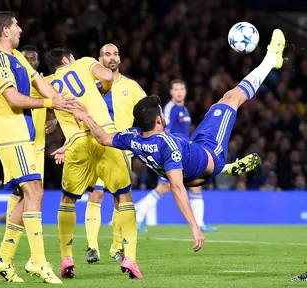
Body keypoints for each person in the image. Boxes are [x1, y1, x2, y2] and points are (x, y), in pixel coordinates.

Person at [55, 28, 285, 253]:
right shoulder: (168, 145)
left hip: (189, 157)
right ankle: (270, 60)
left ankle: (225, 169)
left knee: (128, 191)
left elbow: (103, 137)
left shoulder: (131, 137)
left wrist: (79, 127)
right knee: (232, 98)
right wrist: (194, 227)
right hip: (208, 154)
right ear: (158, 119)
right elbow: (177, 187)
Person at [0, 11, 78, 284]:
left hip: (23, 136)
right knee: (34, 189)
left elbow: (40, 83)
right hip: (11, 134)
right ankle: (38, 261)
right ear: (4, 31)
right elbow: (12, 99)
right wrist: (51, 105)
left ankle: (3, 258)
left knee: (28, 196)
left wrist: (65, 101)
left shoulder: (16, 58)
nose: (20, 29)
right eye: (15, 25)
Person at [44, 47, 143, 279]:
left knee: (68, 200)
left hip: (76, 143)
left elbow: (47, 114)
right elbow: (108, 77)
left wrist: (52, 122)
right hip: (105, 136)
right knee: (124, 197)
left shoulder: (48, 83)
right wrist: (103, 89)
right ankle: (130, 258)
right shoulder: (84, 63)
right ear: (69, 59)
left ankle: (66, 257)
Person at [84, 43, 146, 264]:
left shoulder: (132, 86)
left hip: (122, 150)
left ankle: (117, 247)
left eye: (115, 54)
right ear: (99, 59)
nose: (112, 58)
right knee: (96, 194)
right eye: (107, 54)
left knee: (121, 200)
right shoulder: (89, 86)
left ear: (120, 59)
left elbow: (146, 112)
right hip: (96, 149)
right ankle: (92, 247)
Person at [136, 79, 218, 233]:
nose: (179, 92)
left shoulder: (184, 109)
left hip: (184, 154)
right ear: (171, 92)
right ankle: (139, 217)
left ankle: (200, 223)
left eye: (182, 89)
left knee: (195, 187)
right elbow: (163, 132)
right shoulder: (169, 109)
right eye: (176, 89)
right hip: (171, 155)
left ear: (185, 91)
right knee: (163, 187)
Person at [0, 45, 56, 222]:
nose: (30, 61)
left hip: (38, 147)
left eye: (33, 58)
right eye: (27, 58)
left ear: (38, 62)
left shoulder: (43, 82)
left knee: (35, 191)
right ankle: (12, 223)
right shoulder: (15, 81)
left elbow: (54, 104)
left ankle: (22, 224)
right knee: (21, 189)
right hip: (17, 140)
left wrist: (53, 119)